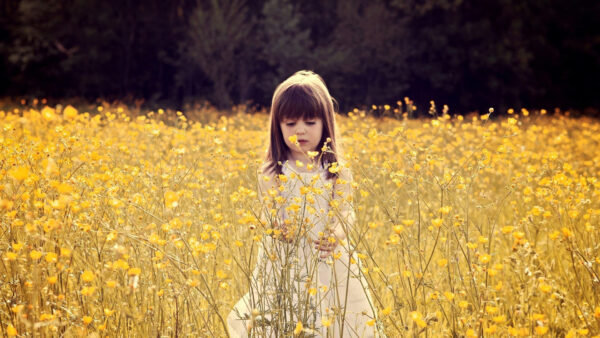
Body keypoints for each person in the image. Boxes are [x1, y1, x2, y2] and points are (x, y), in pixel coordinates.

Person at [227, 70, 382, 337]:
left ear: (326, 123)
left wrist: (335, 235)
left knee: (341, 318)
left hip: (328, 258)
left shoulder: (335, 169)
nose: (300, 130)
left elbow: (346, 213)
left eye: (310, 122)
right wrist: (279, 227)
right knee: (283, 316)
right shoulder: (273, 171)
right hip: (286, 260)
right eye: (290, 124)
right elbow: (271, 213)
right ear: (278, 126)